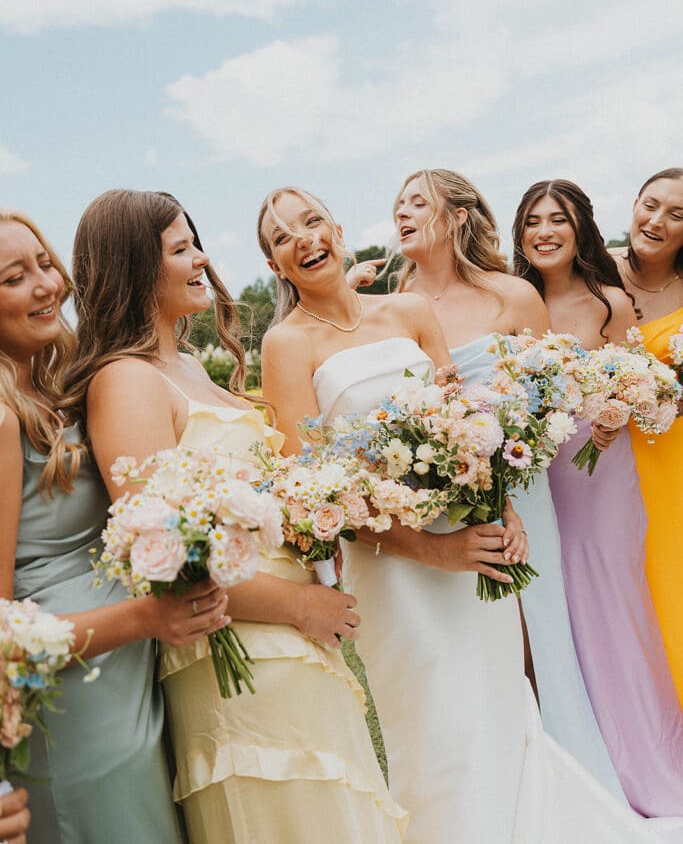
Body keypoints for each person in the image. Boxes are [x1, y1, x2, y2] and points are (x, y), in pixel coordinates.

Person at [258, 184, 660, 844]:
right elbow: (312, 490)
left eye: (309, 220)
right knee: (433, 725)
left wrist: (501, 508)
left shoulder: (409, 309)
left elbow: (467, 424)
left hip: (473, 537)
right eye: (280, 237)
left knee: (500, 700)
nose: (301, 238)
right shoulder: (285, 344)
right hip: (391, 566)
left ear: (335, 227)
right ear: (276, 267)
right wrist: (431, 549)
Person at [66, 189, 406, 844]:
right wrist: (298, 607)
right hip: (237, 647)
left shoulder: (188, 366)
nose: (200, 259)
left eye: (194, 243)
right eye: (180, 248)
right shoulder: (126, 380)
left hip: (291, 639)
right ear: (137, 267)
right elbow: (163, 553)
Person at [351, 169, 623, 796]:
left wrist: (505, 459)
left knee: (536, 630)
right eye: (397, 203)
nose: (402, 211)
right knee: (470, 649)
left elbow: (549, 398)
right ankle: (491, 783)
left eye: (417, 201)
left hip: (520, 489)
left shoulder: (512, 297)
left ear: (457, 215)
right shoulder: (390, 308)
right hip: (437, 506)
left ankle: (557, 782)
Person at [0, 210, 204, 843]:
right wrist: (145, 618)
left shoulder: (63, 383)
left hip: (132, 677)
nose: (46, 286)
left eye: (44, 263)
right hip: (75, 704)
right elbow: (1, 629)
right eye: (13, 277)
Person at [513, 179, 683, 818]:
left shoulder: (611, 302)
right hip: (542, 474)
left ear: (580, 226)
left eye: (558, 218)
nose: (546, 231)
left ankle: (647, 753)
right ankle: (579, 749)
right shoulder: (515, 302)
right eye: (533, 221)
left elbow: (631, 378)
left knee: (616, 600)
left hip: (606, 472)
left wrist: (616, 410)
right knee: (560, 610)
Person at [609, 167, 683, 706]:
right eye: (650, 205)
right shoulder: (592, 269)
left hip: (670, 468)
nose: (656, 221)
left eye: (676, 215)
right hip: (599, 465)